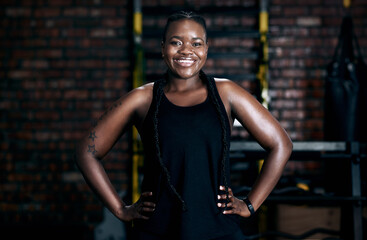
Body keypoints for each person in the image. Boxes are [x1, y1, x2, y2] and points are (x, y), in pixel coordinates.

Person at [75, 11, 293, 240]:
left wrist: (250, 204)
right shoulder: (142, 98)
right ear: (162, 48)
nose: (186, 50)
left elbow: (281, 144)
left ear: (206, 49)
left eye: (196, 43)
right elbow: (86, 153)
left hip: (219, 231)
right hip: (157, 231)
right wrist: (120, 209)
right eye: (176, 42)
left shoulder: (227, 93)